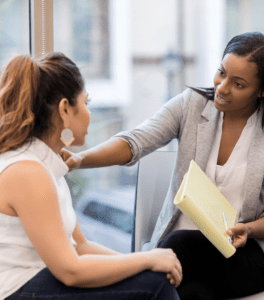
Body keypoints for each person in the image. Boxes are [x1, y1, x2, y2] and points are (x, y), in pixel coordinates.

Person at [62, 32, 264, 300]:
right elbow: (136, 141)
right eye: (221, 73)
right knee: (193, 292)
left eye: (239, 84)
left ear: (263, 90)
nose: (222, 87)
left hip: (243, 255)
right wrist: (80, 159)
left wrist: (249, 228)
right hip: (186, 258)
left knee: (175, 247)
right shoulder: (192, 104)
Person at [0, 53, 183, 300]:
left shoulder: (45, 166)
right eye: (86, 102)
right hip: (19, 291)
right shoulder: (28, 172)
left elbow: (82, 247)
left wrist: (147, 262)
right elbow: (71, 271)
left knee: (154, 277)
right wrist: (147, 260)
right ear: (65, 109)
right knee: (155, 285)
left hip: (38, 283)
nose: (88, 112)